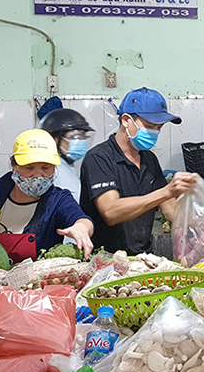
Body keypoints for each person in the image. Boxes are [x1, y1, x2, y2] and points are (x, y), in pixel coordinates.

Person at [0, 129, 94, 260]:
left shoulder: (58, 200)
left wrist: (81, 228)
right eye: (29, 168)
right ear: (14, 166)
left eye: (46, 168)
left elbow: (83, 220)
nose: (37, 175)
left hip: (36, 283)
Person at [80, 87, 197, 254]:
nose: (155, 132)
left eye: (159, 127)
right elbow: (111, 212)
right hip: (106, 259)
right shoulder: (99, 158)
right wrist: (166, 192)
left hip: (142, 258)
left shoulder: (149, 159)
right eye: (149, 126)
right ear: (126, 120)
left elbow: (170, 210)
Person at [40, 108, 94, 202]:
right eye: (76, 137)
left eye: (83, 137)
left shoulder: (68, 166)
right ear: (55, 139)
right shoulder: (51, 169)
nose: (81, 141)